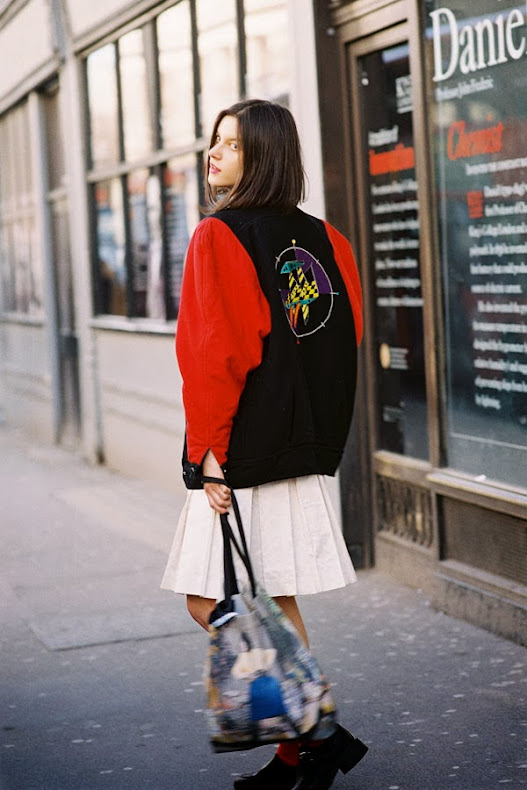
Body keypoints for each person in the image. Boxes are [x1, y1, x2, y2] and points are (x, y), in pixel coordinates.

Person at [161, 99, 367, 790]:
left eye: (231, 144)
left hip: (240, 451)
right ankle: (299, 754)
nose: (213, 153)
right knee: (274, 600)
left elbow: (213, 355)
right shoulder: (327, 239)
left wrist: (206, 455)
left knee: (206, 599)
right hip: (299, 444)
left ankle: (319, 735)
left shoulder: (219, 235)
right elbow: (346, 339)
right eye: (214, 141)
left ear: (264, 156)